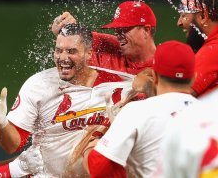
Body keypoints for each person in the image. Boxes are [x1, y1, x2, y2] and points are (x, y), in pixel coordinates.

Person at [0, 23, 133, 177]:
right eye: (58, 51)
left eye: (71, 51)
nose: (63, 58)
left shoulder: (117, 84)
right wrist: (2, 124)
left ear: (89, 54)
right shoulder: (39, 85)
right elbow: (12, 146)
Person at [84, 40, 198, 177]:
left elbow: (98, 164)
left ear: (154, 76)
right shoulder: (211, 112)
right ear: (194, 78)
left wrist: (93, 147)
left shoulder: (136, 111)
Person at [51, 0, 157, 76]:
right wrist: (65, 26)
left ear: (146, 30)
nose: (119, 35)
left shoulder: (164, 65)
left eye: (124, 29)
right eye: (117, 30)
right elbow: (77, 38)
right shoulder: (109, 45)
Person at [177, 0, 218, 97]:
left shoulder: (213, 50)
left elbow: (177, 99)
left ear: (203, 16)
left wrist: (148, 86)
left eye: (184, 15)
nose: (179, 23)